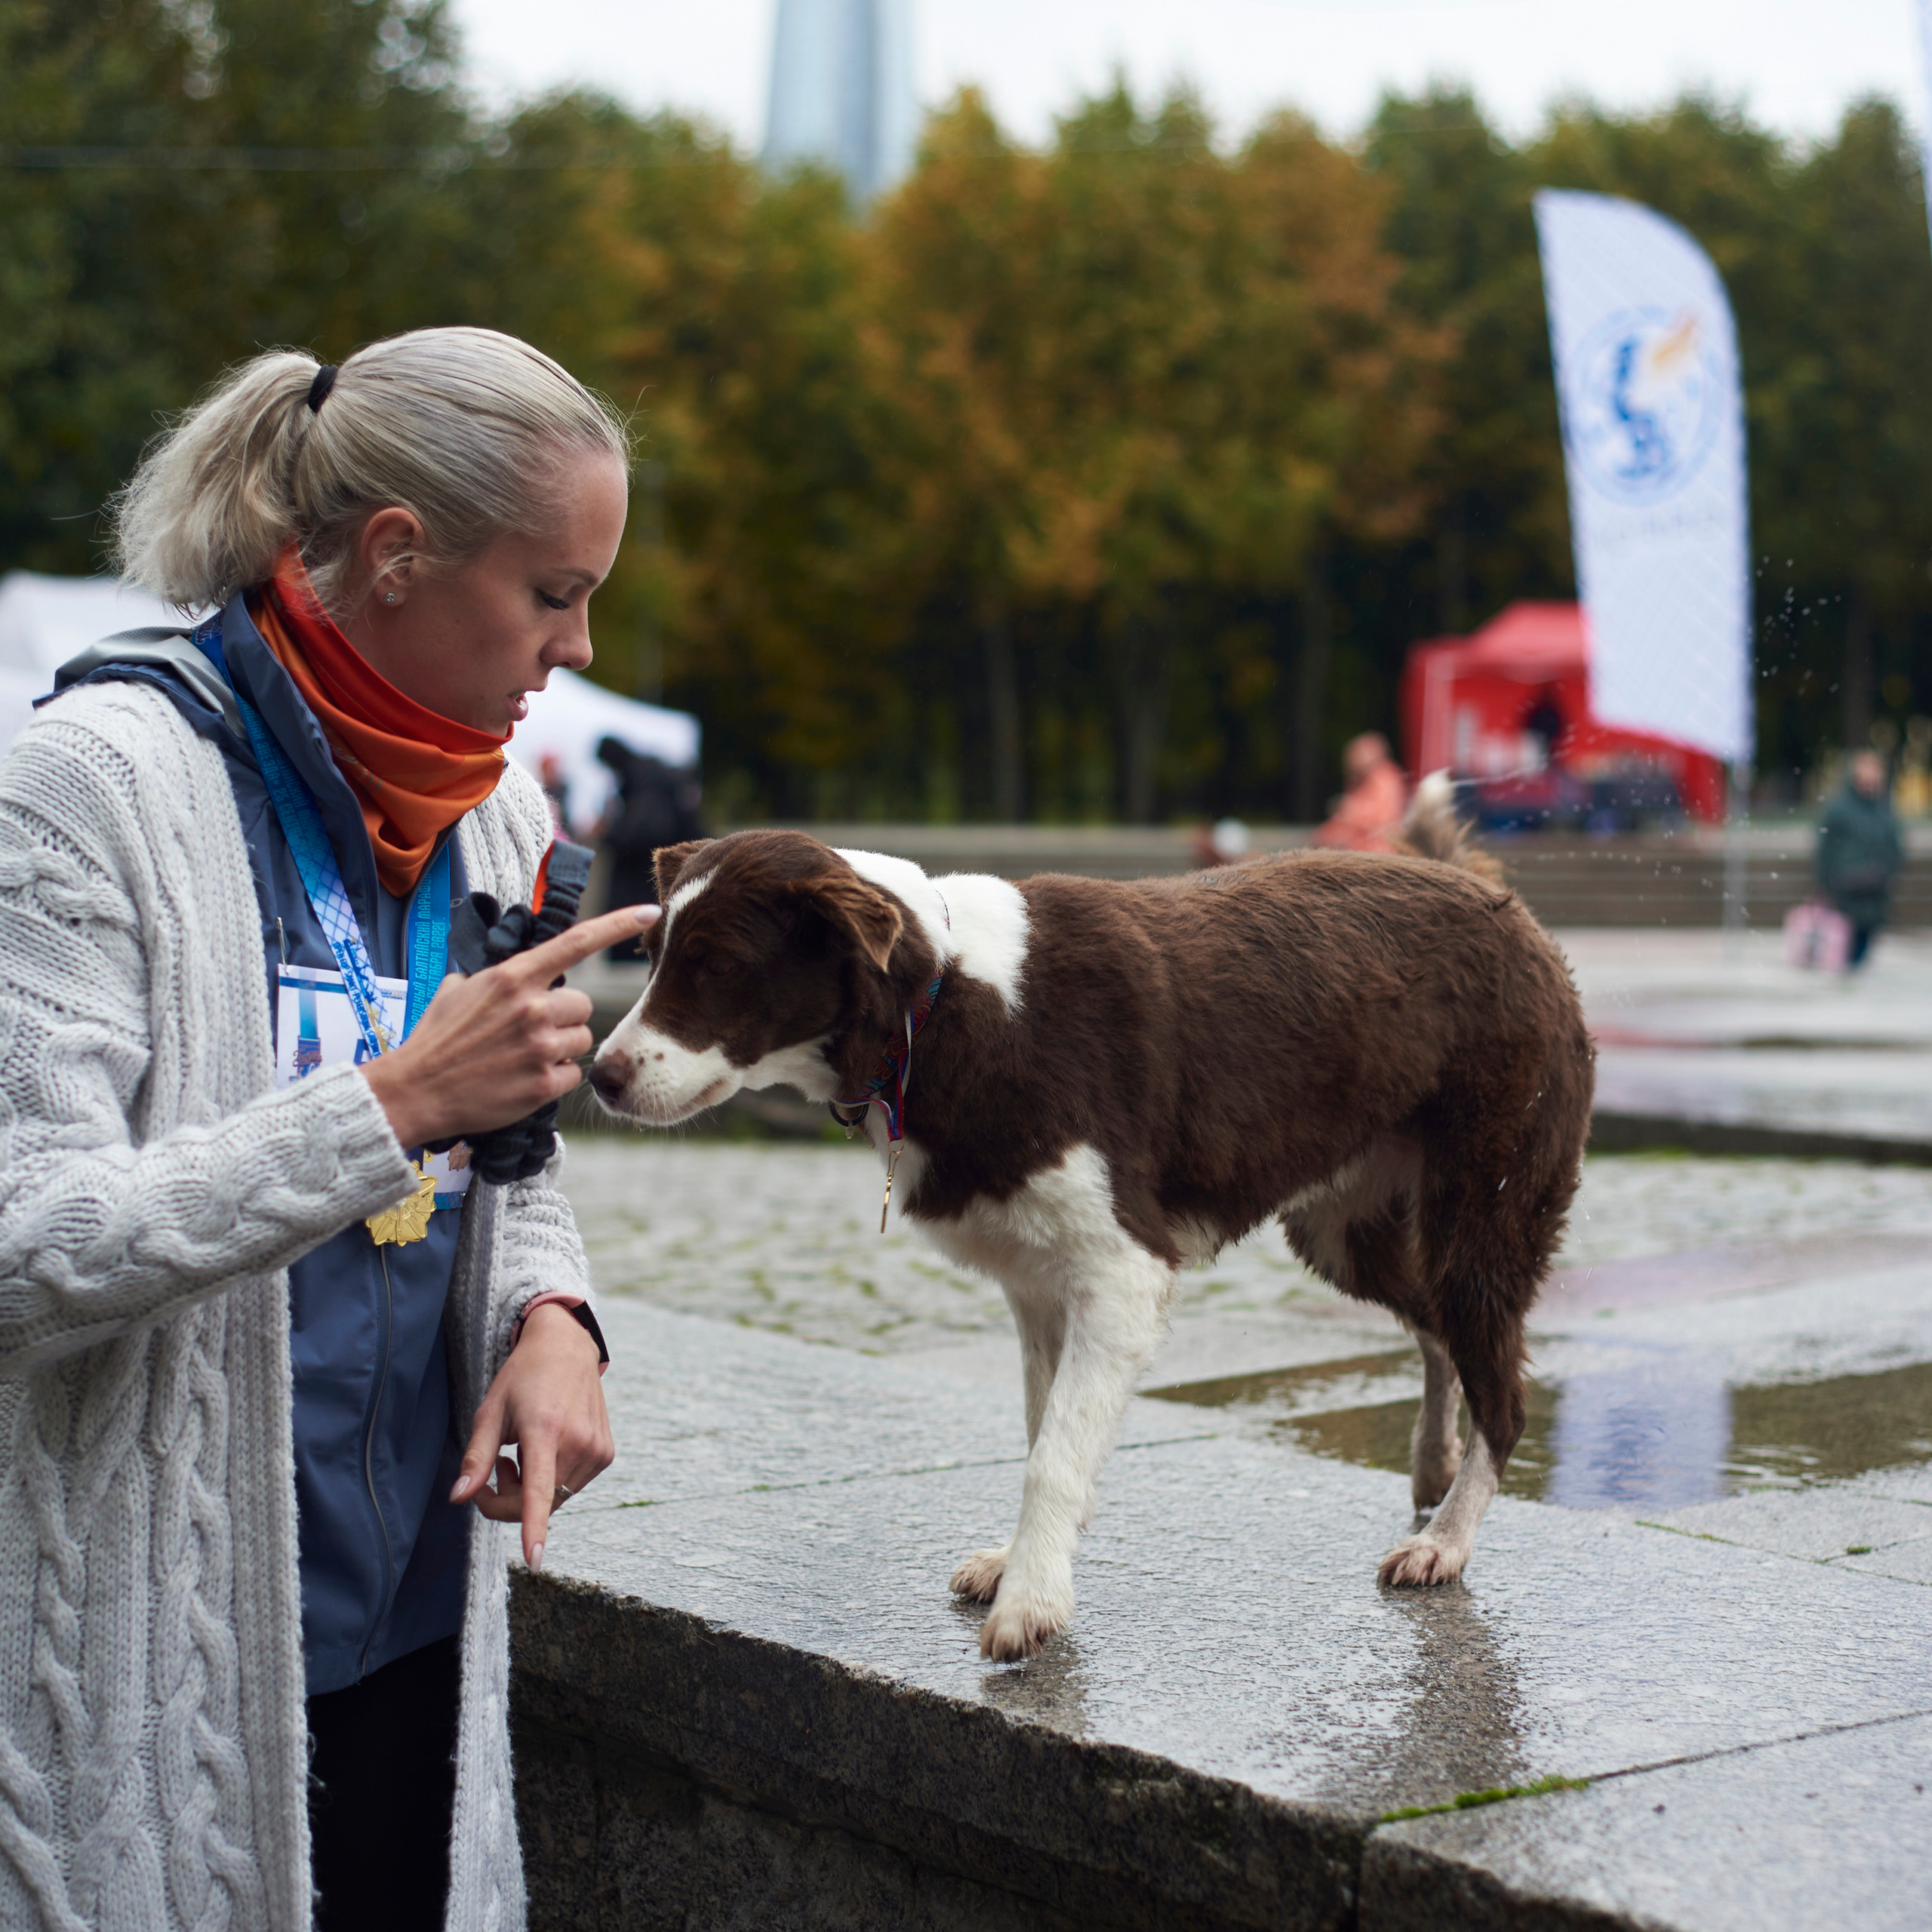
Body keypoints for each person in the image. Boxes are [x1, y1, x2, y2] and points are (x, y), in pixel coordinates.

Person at [0, 328, 657, 1930]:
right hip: (165, 1650)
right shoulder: (81, 788)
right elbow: (25, 1240)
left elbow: (511, 1161)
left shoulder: (490, 809)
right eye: (551, 592)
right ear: (393, 553)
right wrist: (390, 1104)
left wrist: (552, 1314)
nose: (576, 646)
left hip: (423, 1633)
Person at [594, 734, 704, 961]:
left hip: (641, 877)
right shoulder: (649, 773)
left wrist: (611, 835)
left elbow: (645, 830)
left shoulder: (644, 779)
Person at [1817, 747, 1904, 969]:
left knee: (1864, 951)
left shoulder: (1884, 809)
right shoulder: (1838, 809)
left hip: (1875, 891)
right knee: (1843, 950)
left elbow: (1894, 843)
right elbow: (1825, 849)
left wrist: (1889, 870)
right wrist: (1828, 882)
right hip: (1847, 890)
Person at [1312, 731, 1409, 851]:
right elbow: (1337, 825)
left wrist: (1349, 810)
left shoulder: (1385, 777)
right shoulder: (1360, 783)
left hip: (1379, 851)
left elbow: (1383, 818)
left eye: (1356, 753)